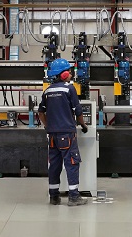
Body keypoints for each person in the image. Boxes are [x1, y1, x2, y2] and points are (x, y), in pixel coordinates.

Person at [38, 58, 89, 206]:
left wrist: (48, 126)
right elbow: (78, 111)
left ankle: (54, 196)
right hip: (67, 133)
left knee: (54, 164)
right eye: (69, 72)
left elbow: (40, 112)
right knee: (72, 163)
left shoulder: (47, 91)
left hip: (52, 135)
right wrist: (83, 125)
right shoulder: (69, 89)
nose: (71, 74)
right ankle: (74, 197)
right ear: (64, 74)